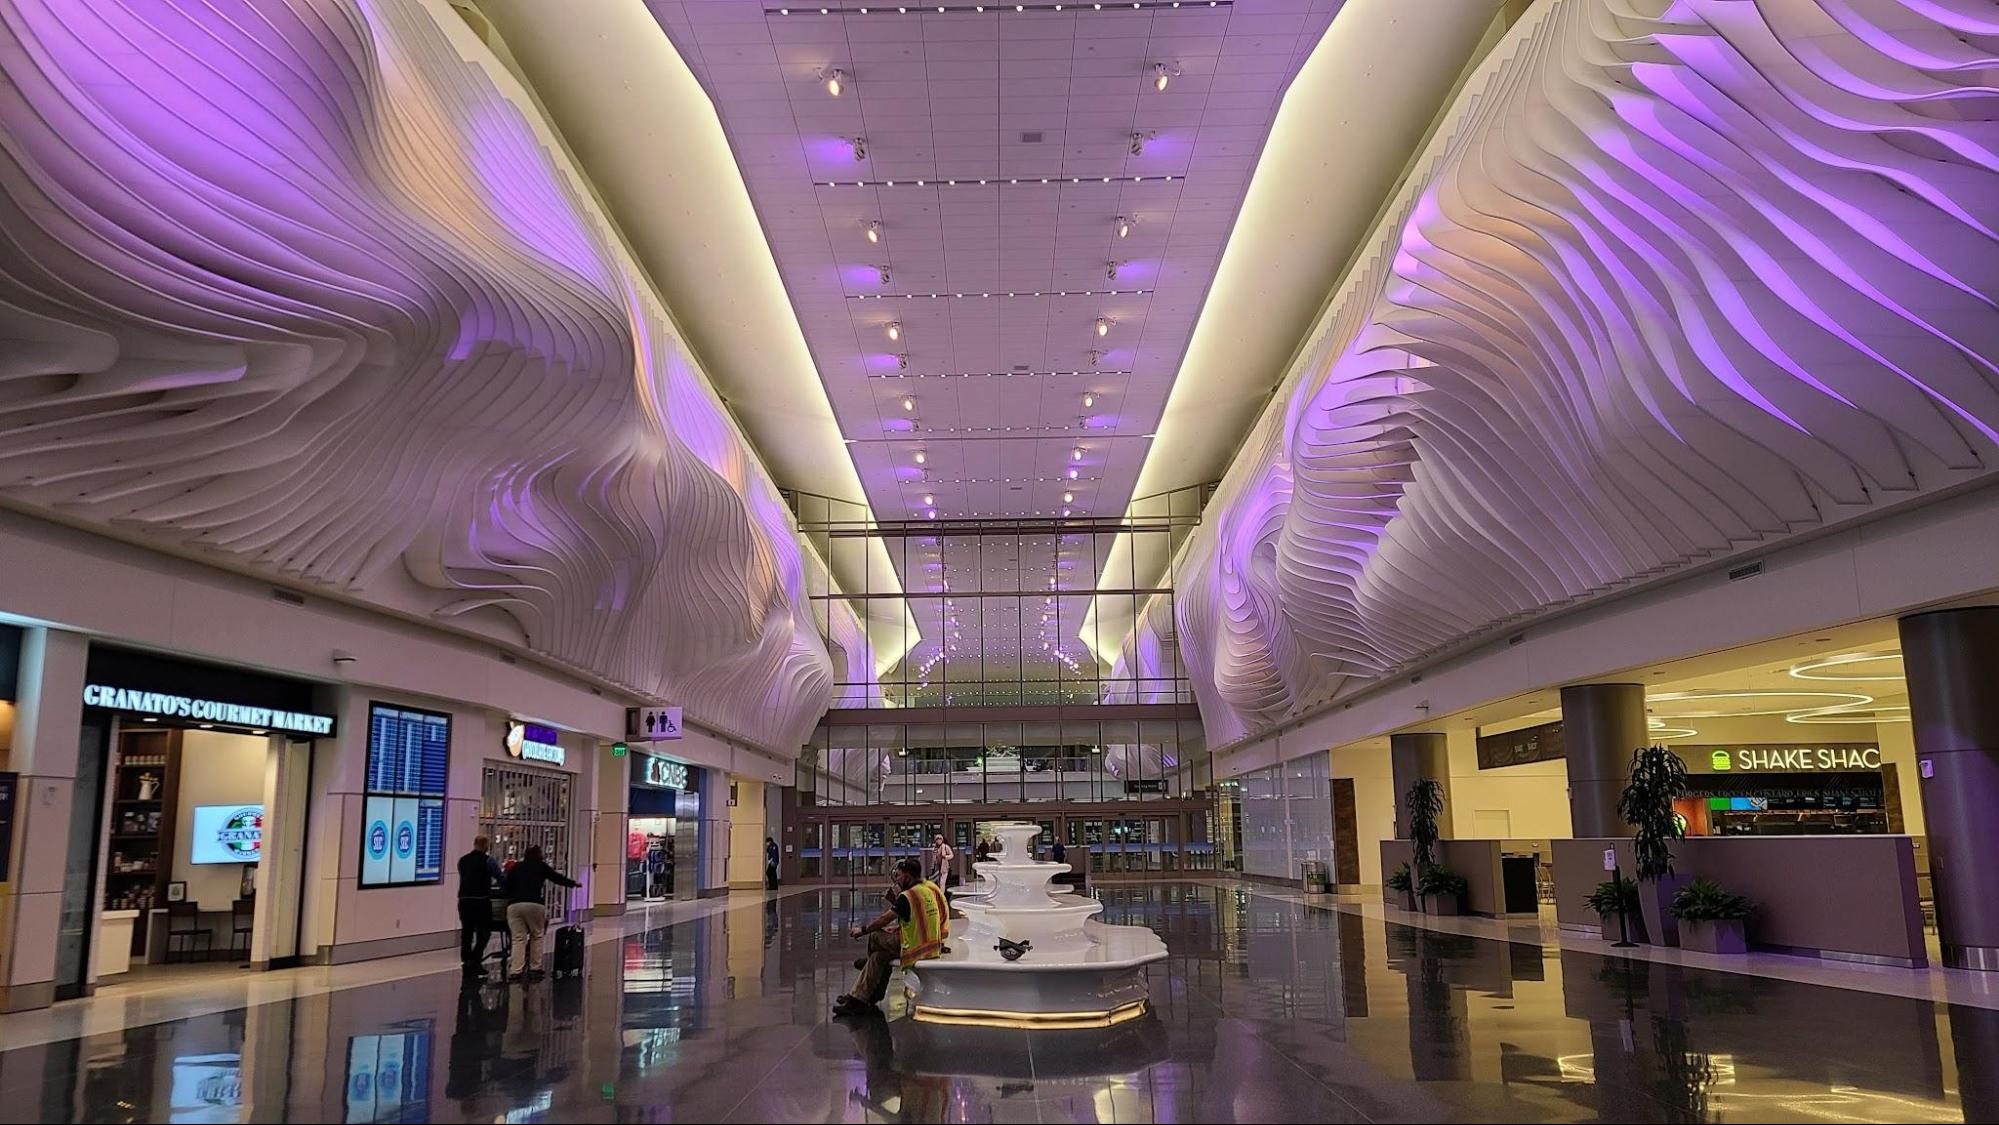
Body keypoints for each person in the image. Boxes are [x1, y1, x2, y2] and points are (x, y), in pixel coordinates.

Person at [835, 858, 947, 1016]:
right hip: (931, 945)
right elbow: (914, 917)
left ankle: (867, 970)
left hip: (914, 948)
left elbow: (884, 919)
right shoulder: (926, 889)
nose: (898, 880)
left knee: (875, 935)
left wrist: (862, 930)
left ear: (907, 876)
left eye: (899, 876)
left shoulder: (908, 896)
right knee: (878, 958)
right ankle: (859, 998)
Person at [503, 845, 579, 981]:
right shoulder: (541, 867)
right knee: (537, 935)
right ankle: (535, 968)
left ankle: (515, 970)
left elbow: (506, 885)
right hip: (534, 904)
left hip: (515, 905)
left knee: (518, 938)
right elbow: (556, 878)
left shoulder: (516, 867)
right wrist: (573, 884)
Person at [455, 835, 503, 978]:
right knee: (484, 932)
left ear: (474, 844)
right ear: (486, 846)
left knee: (467, 932)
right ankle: (476, 959)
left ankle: (466, 960)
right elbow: (500, 877)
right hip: (481, 901)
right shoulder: (488, 861)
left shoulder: (463, 861)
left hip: (464, 900)